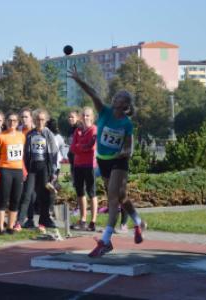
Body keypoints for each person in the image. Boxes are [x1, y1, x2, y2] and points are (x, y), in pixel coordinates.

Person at [68, 65, 146, 257]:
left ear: (125, 104)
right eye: (116, 95)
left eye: (120, 96)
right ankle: (138, 221)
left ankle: (106, 240)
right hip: (102, 161)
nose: (116, 97)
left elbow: (129, 146)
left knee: (112, 198)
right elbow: (93, 93)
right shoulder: (104, 111)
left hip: (119, 162)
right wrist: (79, 80)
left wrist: (124, 152)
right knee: (120, 196)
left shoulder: (126, 123)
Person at [17, 109, 59, 231]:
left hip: (45, 168)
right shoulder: (30, 134)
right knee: (26, 194)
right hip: (32, 168)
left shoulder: (48, 134)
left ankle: (43, 221)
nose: (40, 122)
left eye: (42, 119)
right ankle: (19, 221)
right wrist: (25, 168)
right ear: (34, 120)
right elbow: (26, 153)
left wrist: (54, 171)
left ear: (45, 121)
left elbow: (54, 154)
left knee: (44, 195)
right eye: (37, 120)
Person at [0, 112, 26, 235]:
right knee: (3, 198)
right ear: (6, 122)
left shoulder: (21, 136)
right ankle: (0, 227)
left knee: (15, 199)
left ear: (18, 123)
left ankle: (10, 227)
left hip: (18, 170)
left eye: (15, 121)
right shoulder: (1, 137)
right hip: (5, 169)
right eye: (10, 120)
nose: (12, 123)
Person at [70, 107, 98, 231]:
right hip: (78, 165)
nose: (85, 118)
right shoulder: (78, 131)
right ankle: (83, 219)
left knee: (92, 192)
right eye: (83, 116)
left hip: (90, 165)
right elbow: (72, 148)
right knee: (80, 192)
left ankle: (93, 221)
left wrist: (80, 147)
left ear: (92, 117)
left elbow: (91, 147)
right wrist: (83, 147)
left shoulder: (94, 130)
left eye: (88, 116)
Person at [18, 108, 37, 228]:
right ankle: (29, 219)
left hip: (33, 166)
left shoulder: (35, 131)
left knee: (29, 193)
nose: (24, 119)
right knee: (27, 193)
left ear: (31, 118)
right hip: (21, 165)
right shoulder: (19, 131)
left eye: (26, 117)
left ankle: (21, 220)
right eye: (22, 117)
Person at [66, 110, 80, 183]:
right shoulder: (70, 129)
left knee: (78, 178)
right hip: (72, 156)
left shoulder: (79, 128)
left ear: (77, 118)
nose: (70, 119)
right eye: (69, 117)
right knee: (74, 179)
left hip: (78, 157)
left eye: (72, 117)